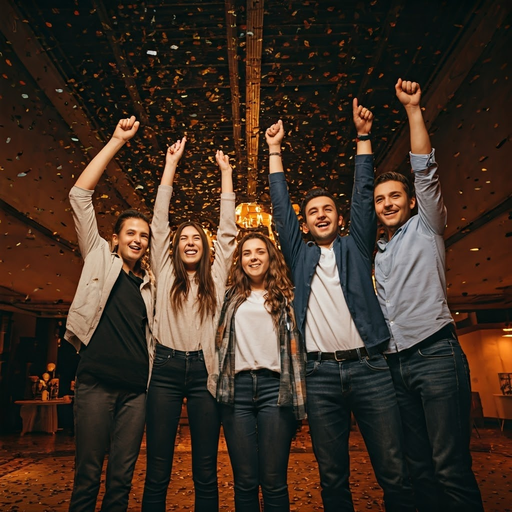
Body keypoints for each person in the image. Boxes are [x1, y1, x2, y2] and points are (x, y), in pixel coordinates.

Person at [266, 101, 415, 511]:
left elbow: (364, 197)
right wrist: (275, 151)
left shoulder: (355, 247)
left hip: (370, 369)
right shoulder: (300, 255)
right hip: (319, 376)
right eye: (312, 212)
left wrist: (363, 137)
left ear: (338, 216)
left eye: (327, 209)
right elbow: (281, 210)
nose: (321, 215)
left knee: (393, 472)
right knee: (332, 477)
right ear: (307, 222)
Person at [373, 78, 484, 512]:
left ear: (413, 201)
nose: (386, 203)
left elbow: (425, 167)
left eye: (395, 196)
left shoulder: (428, 227)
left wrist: (413, 110)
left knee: (449, 466)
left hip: (436, 356)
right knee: (417, 467)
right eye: (380, 199)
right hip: (395, 364)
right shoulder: (378, 252)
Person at [142, 138, 237, 511]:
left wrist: (226, 174)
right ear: (175, 247)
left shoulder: (216, 275)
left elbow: (228, 231)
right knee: (158, 469)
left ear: (205, 245)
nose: (190, 242)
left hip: (204, 373)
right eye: (184, 239)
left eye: (196, 238)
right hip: (164, 370)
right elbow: (158, 221)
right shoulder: (165, 272)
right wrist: (170, 165)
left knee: (205, 470)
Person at [65, 116, 154, 512]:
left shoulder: (151, 285)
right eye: (130, 233)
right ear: (115, 238)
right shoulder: (100, 258)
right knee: (87, 476)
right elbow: (79, 196)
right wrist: (116, 140)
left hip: (136, 392)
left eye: (144, 235)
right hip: (96, 386)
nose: (137, 239)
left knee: (121, 480)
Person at [216, 233, 306, 511]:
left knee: (273, 480)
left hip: (275, 390)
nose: (253, 258)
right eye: (246, 253)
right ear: (239, 260)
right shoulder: (229, 296)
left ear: (271, 257)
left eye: (259, 252)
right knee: (244, 480)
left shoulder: (289, 297)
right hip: (237, 390)